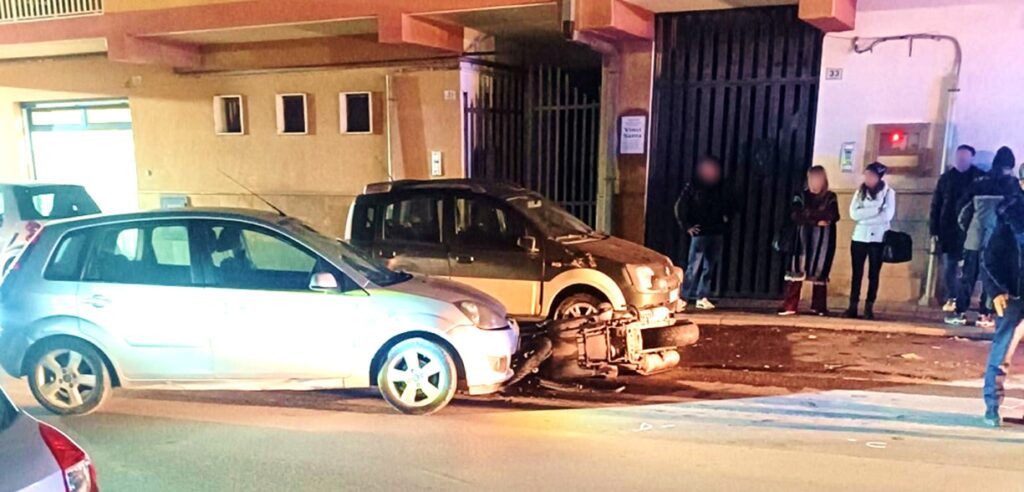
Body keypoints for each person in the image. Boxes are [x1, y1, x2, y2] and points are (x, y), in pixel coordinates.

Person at [945, 147, 1020, 328]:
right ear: (1011, 166)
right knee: (991, 279)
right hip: (998, 241)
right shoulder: (1013, 186)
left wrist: (968, 229)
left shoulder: (978, 183)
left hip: (974, 237)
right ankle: (984, 315)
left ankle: (960, 312)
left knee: (968, 277)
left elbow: (963, 211)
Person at [979, 194, 1024, 427]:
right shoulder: (1009, 213)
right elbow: (988, 257)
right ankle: (992, 406)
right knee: (1003, 351)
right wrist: (996, 290)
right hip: (1015, 294)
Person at [778, 166, 840, 316]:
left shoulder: (830, 197)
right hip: (801, 239)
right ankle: (790, 305)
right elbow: (796, 214)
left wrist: (809, 214)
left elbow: (832, 215)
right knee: (796, 270)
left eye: (818, 178)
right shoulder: (800, 195)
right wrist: (816, 220)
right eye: (812, 178)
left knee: (820, 271)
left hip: (822, 241)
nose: (814, 182)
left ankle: (819, 306)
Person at [675, 155, 733, 310]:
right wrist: (686, 226)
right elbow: (680, 206)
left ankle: (702, 296)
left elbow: (727, 203)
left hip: (716, 231)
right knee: (693, 266)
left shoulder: (720, 186)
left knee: (709, 267)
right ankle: (683, 297)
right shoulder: (693, 186)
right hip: (700, 232)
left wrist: (725, 217)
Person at [930, 145, 982, 312]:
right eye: (959, 157)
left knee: (969, 269)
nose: (962, 161)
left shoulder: (979, 178)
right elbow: (936, 204)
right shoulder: (946, 178)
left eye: (965, 158)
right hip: (948, 229)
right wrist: (934, 230)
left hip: (971, 231)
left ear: (972, 158)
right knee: (949, 266)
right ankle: (952, 296)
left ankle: (963, 301)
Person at [845, 162, 895, 320]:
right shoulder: (859, 192)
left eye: (871, 175)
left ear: (879, 177)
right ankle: (852, 306)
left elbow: (887, 216)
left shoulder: (888, 193)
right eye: (866, 175)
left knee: (874, 274)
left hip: (878, 238)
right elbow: (853, 214)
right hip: (859, 237)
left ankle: (869, 307)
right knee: (856, 273)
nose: (868, 178)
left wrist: (864, 215)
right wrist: (875, 210)